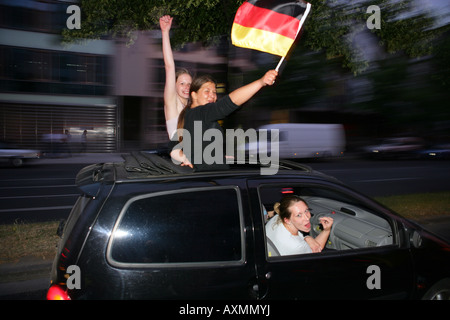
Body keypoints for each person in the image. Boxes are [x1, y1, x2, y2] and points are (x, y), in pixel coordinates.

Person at [170, 70, 278, 170]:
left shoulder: (190, 115)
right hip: (212, 180)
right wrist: (260, 82)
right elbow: (228, 103)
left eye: (214, 92)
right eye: (207, 91)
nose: (212, 96)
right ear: (194, 95)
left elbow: (176, 148)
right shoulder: (199, 112)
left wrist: (220, 157)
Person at [265, 195, 333, 255]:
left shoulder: (277, 217)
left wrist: (306, 238)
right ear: (287, 220)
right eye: (299, 215)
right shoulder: (296, 245)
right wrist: (326, 230)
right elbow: (316, 249)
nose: (307, 217)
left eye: (306, 210)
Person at [159, 15, 193, 139]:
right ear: (174, 86)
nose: (187, 87)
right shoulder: (172, 102)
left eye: (189, 84)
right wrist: (165, 32)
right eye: (182, 83)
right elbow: (169, 66)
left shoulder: (190, 106)